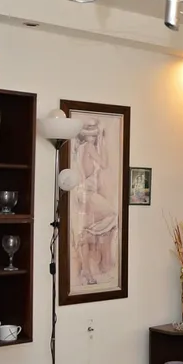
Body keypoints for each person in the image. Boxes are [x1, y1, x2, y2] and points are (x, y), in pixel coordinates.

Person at [71, 119, 119, 287]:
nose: (94, 137)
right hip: (87, 193)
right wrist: (103, 142)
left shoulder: (80, 149)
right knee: (112, 215)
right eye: (93, 134)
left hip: (82, 193)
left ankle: (87, 270)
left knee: (85, 229)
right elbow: (104, 164)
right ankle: (91, 267)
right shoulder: (90, 147)